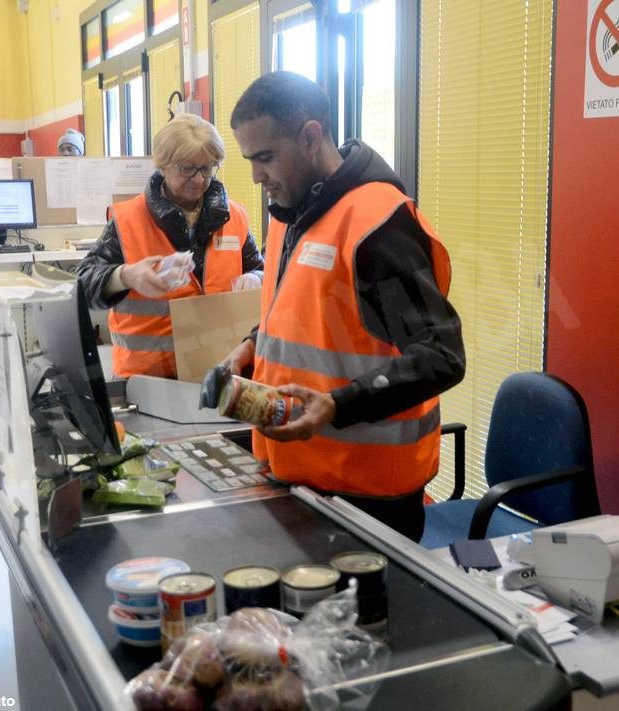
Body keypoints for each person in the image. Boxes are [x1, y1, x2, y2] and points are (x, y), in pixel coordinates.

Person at [222, 71, 465, 542]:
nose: (256, 176)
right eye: (250, 160)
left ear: (311, 137)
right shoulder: (293, 213)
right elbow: (309, 313)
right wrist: (251, 346)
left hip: (368, 500)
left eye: (265, 157)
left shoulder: (378, 227)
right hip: (301, 478)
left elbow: (440, 355)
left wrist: (337, 405)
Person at [76, 113, 264, 379]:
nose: (199, 179)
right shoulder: (129, 219)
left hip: (221, 372)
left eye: (207, 168)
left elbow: (262, 271)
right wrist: (126, 276)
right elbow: (81, 285)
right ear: (162, 165)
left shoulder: (235, 216)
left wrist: (255, 278)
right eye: (187, 168)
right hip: (146, 379)